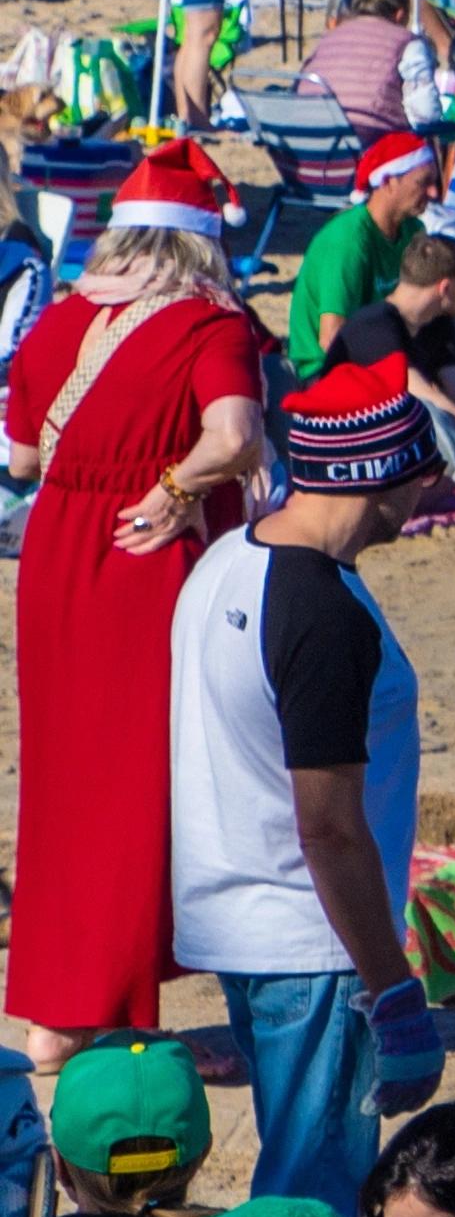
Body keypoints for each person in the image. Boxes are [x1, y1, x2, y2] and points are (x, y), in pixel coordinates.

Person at [5, 152, 268, 1089]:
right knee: (139, 785)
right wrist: (177, 482)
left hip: (57, 557)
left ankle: (54, 1014)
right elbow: (235, 434)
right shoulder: (212, 323)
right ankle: (112, 1018)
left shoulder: (59, 318)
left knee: (63, 783)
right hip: (145, 557)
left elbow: (21, 458)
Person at [165, 332, 442, 1206]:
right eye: (420, 468)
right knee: (312, 1205)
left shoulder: (227, 560)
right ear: (377, 474)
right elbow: (328, 826)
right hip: (312, 941)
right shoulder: (321, 612)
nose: (431, 484)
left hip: (237, 919)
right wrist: (392, 988)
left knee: (294, 1182)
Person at [278, 127, 438, 375]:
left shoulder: (412, 229)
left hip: (381, 357)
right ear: (388, 181)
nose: (434, 192)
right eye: (423, 182)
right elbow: (332, 338)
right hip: (326, 370)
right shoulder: (348, 240)